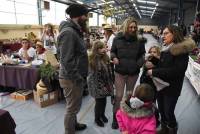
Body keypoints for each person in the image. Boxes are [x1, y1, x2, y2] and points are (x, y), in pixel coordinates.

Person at [146, 25, 196, 134]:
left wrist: (154, 72)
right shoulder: (166, 47)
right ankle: (164, 129)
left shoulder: (181, 51)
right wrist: (153, 60)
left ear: (175, 34)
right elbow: (163, 64)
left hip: (172, 88)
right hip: (161, 85)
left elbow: (176, 71)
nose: (163, 36)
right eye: (163, 33)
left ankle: (172, 129)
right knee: (163, 111)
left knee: (169, 112)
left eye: (166, 33)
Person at [57, 4, 90, 134]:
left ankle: (74, 124)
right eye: (85, 15)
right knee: (72, 108)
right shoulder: (69, 33)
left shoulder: (74, 31)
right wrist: (77, 77)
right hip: (71, 78)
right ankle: (69, 131)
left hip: (74, 77)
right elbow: (66, 60)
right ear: (78, 16)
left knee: (75, 105)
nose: (86, 18)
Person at [111, 17, 146, 129]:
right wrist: (114, 57)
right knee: (119, 96)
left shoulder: (139, 41)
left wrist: (138, 64)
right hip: (120, 72)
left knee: (128, 95)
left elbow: (142, 55)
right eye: (131, 27)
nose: (133, 29)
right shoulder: (117, 39)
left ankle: (126, 116)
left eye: (135, 27)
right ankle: (115, 118)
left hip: (133, 73)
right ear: (126, 27)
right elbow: (112, 51)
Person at [87, 41, 113, 127]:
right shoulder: (93, 59)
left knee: (104, 101)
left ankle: (102, 114)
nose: (103, 49)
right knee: (99, 102)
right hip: (96, 85)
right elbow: (93, 76)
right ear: (96, 49)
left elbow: (108, 71)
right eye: (100, 48)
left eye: (104, 47)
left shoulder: (105, 57)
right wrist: (101, 86)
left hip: (104, 83)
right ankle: (97, 118)